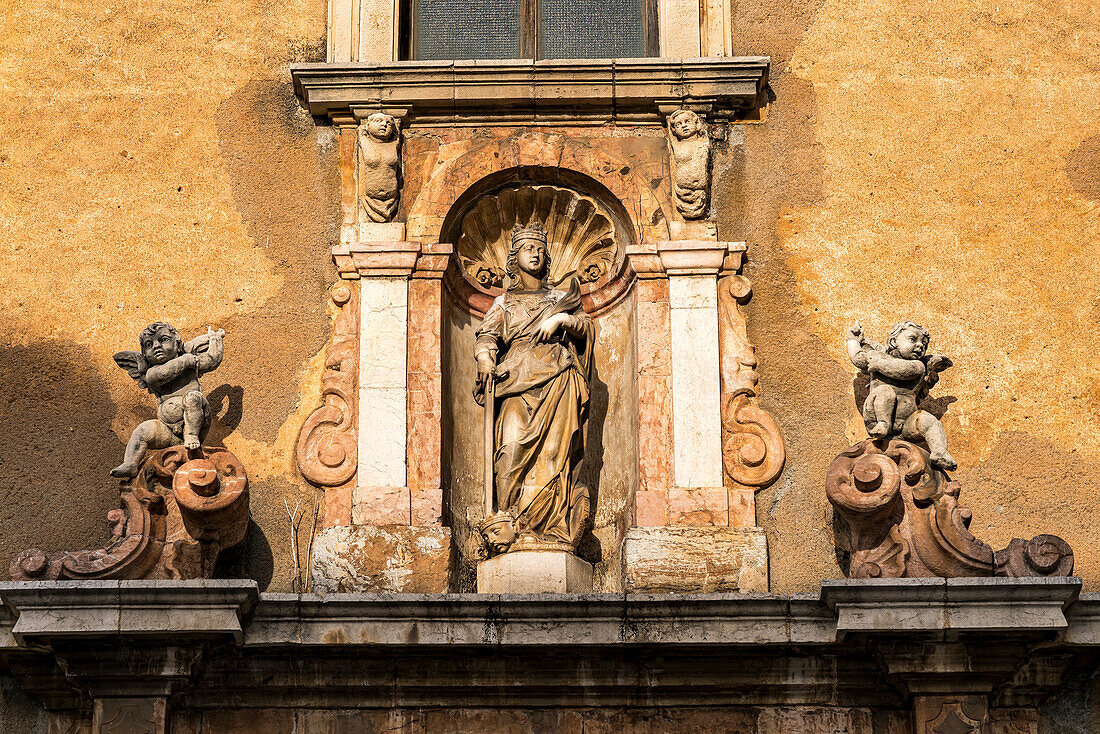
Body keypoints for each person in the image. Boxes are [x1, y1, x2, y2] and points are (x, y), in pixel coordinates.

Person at [473, 223, 593, 551]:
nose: (536, 254)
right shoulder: (505, 302)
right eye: (528, 248)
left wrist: (562, 320)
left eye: (540, 249)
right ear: (515, 257)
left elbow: (585, 328)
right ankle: (509, 521)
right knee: (509, 452)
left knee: (556, 455)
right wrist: (485, 358)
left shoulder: (561, 297)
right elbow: (487, 336)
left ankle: (549, 528)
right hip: (516, 382)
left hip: (558, 377)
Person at [110, 323, 224, 477]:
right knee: (142, 430)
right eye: (149, 344)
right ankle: (130, 464)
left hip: (195, 423)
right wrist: (186, 360)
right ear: (144, 354)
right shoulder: (152, 373)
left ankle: (191, 435)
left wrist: (215, 340)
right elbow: (165, 372)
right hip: (167, 429)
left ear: (177, 344)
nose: (156, 346)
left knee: (192, 397)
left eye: (163, 340)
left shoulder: (188, 359)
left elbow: (211, 361)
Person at [846, 320, 957, 470]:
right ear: (893, 341)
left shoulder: (917, 366)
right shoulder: (879, 356)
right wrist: (853, 340)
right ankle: (883, 424)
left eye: (923, 344)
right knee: (885, 391)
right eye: (913, 339)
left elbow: (899, 369)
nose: (919, 346)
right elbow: (858, 359)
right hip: (876, 419)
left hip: (906, 424)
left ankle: (939, 452)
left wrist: (877, 362)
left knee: (928, 420)